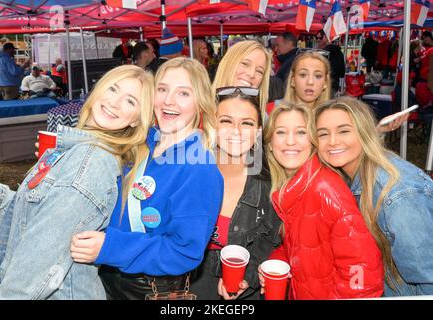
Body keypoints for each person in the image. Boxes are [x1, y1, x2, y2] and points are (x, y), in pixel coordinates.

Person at [0, 64, 154, 299]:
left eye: (130, 101)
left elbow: (39, 257)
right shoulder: (81, 150)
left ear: (137, 120)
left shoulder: (91, 159)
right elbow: (39, 216)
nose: (114, 102)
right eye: (113, 89)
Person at [69, 57, 224, 300]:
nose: (168, 100)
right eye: (162, 89)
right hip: (101, 277)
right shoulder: (139, 141)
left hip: (147, 290)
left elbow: (183, 252)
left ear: (200, 102)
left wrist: (111, 247)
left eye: (183, 93)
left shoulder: (199, 169)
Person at [260, 101, 384, 299]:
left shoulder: (326, 191)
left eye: (301, 132)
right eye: (281, 132)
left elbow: (362, 276)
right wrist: (278, 261)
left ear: (313, 141)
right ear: (270, 144)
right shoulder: (293, 188)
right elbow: (306, 246)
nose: (290, 141)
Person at [315, 96, 433, 296]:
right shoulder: (348, 176)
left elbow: (428, 283)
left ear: (364, 133)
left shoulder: (397, 195)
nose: (332, 141)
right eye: (323, 134)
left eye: (344, 131)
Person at [190, 87, 282, 300]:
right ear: (212, 125)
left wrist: (246, 277)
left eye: (247, 123)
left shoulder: (270, 184)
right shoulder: (190, 173)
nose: (236, 130)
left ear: (258, 131)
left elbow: (270, 244)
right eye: (226, 121)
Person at [283, 51, 409, 134]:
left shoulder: (334, 116)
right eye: (303, 74)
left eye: (317, 76)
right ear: (293, 80)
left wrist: (379, 129)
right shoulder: (276, 114)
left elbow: (351, 147)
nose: (310, 82)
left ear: (325, 83)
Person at [213, 40, 271, 123]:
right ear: (228, 64)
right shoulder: (200, 109)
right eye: (245, 64)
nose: (251, 74)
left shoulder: (263, 118)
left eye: (259, 71)